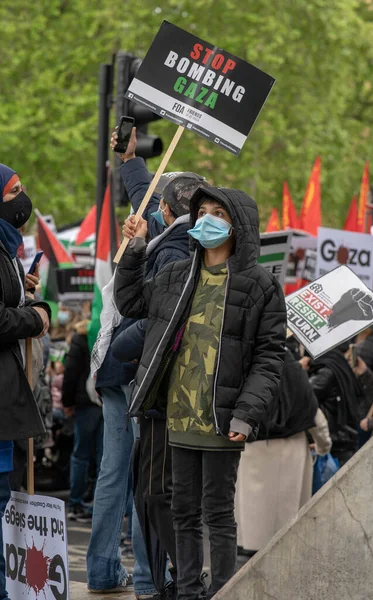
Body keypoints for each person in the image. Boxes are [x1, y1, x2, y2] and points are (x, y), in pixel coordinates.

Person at [114, 184, 287, 600]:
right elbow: (130, 301)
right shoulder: (176, 275)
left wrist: (246, 413)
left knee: (218, 513)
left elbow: (269, 358)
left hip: (223, 420)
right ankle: (189, 592)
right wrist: (135, 249)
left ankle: (224, 591)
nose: (207, 219)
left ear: (238, 226)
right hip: (178, 416)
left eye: (219, 214)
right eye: (203, 211)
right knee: (183, 512)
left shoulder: (261, 286)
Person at [87, 126, 206, 598]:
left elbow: (143, 195)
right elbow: (152, 319)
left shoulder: (157, 229)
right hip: (138, 368)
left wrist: (131, 159)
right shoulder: (180, 243)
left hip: (117, 370)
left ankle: (102, 572)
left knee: (114, 471)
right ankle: (144, 580)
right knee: (143, 473)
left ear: (167, 210)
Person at [0, 163, 51, 600]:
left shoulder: (6, 251)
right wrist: (32, 317)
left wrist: (21, 288)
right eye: (14, 190)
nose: (24, 197)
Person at [236, 345, 332, 555]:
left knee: (255, 522)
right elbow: (317, 418)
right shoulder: (295, 374)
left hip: (254, 451)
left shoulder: (249, 369)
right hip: (293, 451)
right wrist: (324, 448)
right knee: (288, 527)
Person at [62, 319, 103, 521]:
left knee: (80, 455)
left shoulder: (81, 338)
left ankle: (76, 503)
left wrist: (67, 402)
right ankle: (99, 505)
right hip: (105, 402)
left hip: (85, 405)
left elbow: (70, 373)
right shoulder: (106, 332)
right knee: (104, 459)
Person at [301, 347, 363, 466]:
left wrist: (300, 370)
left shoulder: (325, 373)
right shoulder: (335, 362)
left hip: (336, 442)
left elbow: (302, 395)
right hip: (343, 438)